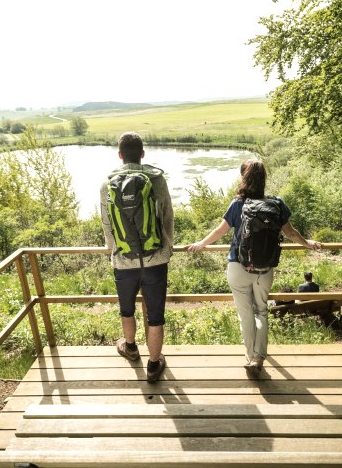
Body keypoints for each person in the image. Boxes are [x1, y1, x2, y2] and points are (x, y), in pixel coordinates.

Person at [187, 159, 322, 375]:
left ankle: (250, 357)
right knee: (261, 311)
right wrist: (308, 243)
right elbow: (291, 232)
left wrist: (200, 244)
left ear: (243, 178)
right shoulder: (276, 204)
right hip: (265, 269)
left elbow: (220, 231)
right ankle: (259, 358)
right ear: (264, 179)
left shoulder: (237, 204)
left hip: (238, 267)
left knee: (245, 314)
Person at [100, 132, 174, 383]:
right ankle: (154, 364)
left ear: (120, 155)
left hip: (123, 260)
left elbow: (107, 225)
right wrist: (166, 247)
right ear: (143, 154)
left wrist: (116, 249)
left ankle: (130, 348)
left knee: (126, 308)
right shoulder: (156, 179)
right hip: (155, 260)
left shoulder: (106, 183)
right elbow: (167, 217)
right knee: (155, 314)